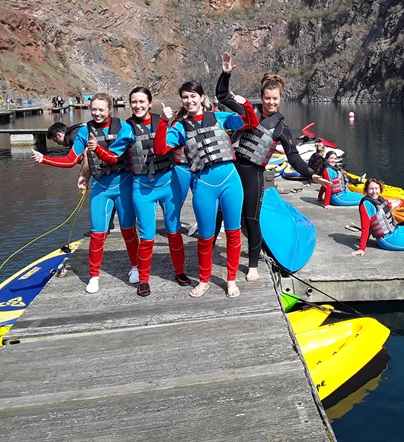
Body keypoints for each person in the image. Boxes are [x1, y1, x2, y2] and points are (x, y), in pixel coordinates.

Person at [215, 53, 331, 281]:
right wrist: (226, 73)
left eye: (275, 99)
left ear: (280, 99)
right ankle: (210, 251)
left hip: (254, 175)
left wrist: (312, 175)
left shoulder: (281, 129)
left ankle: (253, 265)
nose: (271, 102)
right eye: (267, 98)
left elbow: (294, 158)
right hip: (232, 170)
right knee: (220, 211)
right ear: (261, 97)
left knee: (251, 219)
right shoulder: (246, 111)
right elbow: (221, 95)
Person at [154, 80, 258, 298]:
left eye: (193, 96)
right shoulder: (180, 127)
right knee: (205, 237)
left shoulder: (219, 117)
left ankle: (230, 280)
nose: (189, 100)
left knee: (233, 233)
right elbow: (161, 148)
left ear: (201, 97)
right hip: (203, 184)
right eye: (185, 97)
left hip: (230, 180)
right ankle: (204, 280)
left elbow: (251, 123)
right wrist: (164, 122)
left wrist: (245, 104)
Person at [31, 93, 139, 294]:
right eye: (94, 110)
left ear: (110, 110)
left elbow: (114, 158)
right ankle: (94, 276)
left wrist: (96, 149)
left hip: (123, 184)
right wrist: (44, 158)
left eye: (101, 109)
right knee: (98, 234)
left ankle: (135, 267)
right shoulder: (83, 131)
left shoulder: (124, 128)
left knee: (128, 230)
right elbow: (72, 160)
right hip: (101, 187)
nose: (97, 113)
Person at [88, 87, 189, 297]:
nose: (138, 105)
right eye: (133, 102)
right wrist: (97, 149)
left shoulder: (164, 121)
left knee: (173, 230)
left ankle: (179, 271)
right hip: (142, 187)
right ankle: (144, 279)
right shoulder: (127, 128)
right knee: (147, 235)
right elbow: (113, 157)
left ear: (150, 103)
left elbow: (183, 140)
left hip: (169, 183)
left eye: (142, 101)